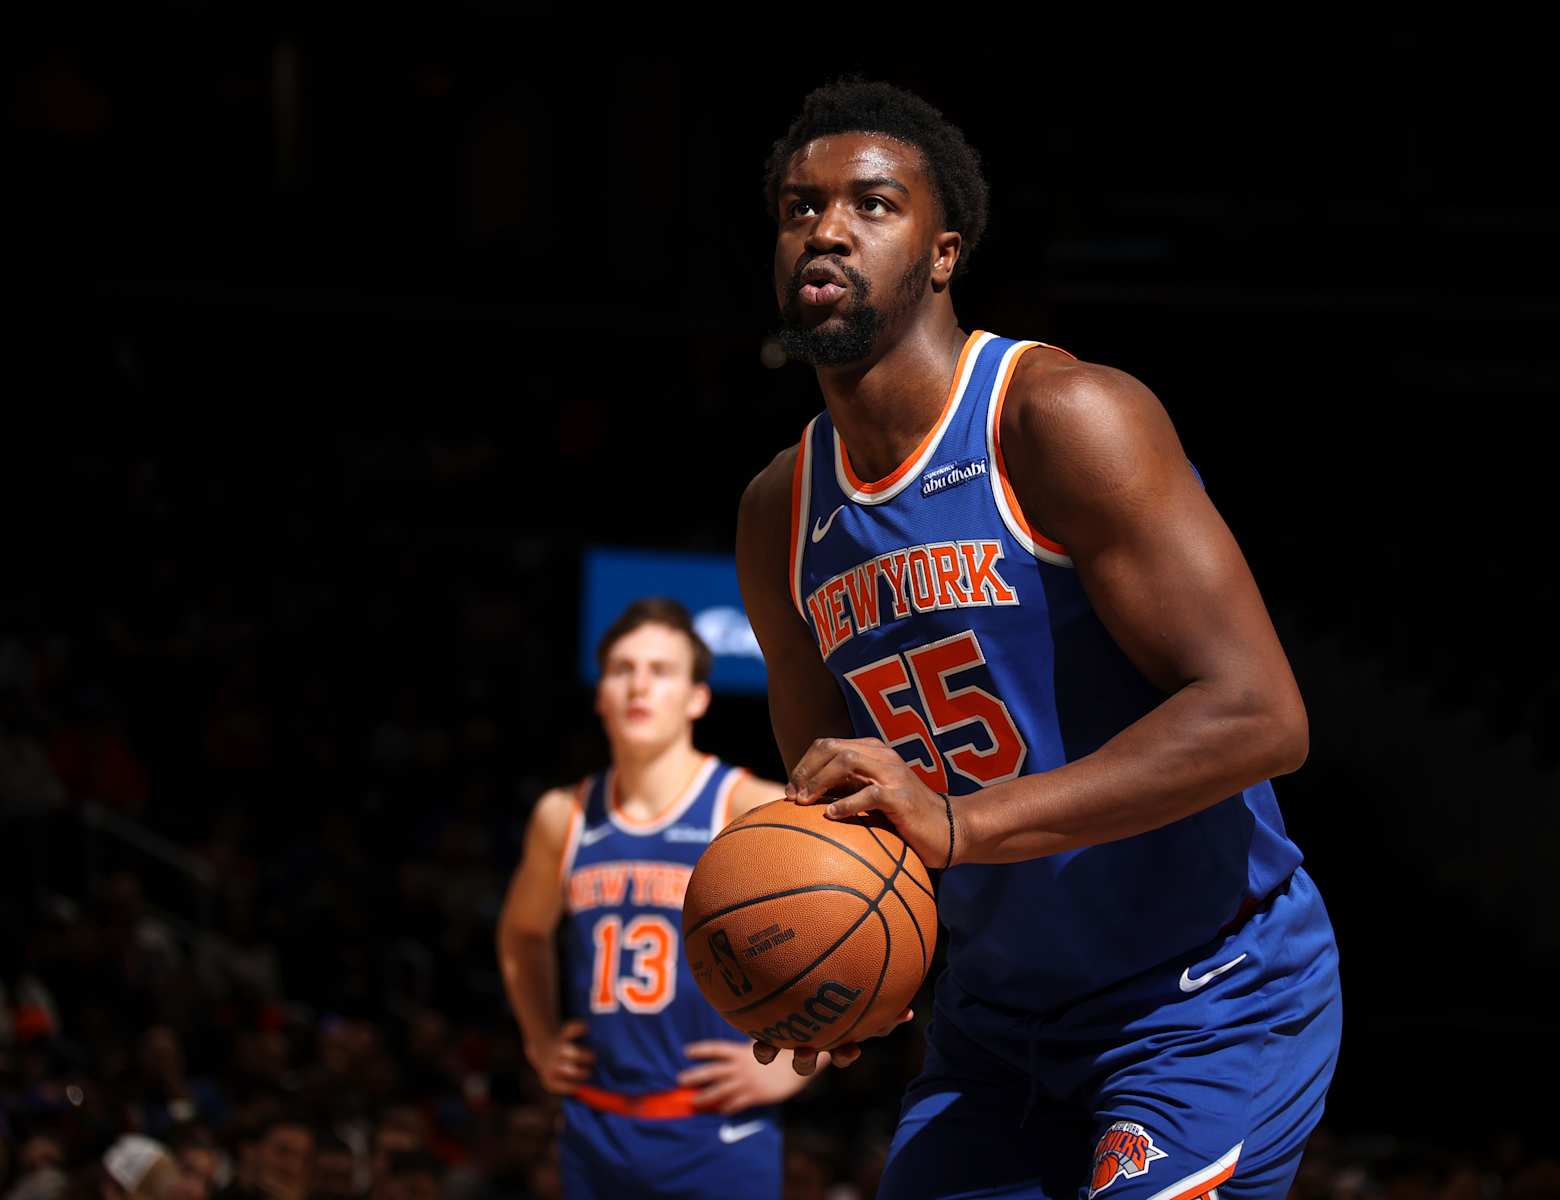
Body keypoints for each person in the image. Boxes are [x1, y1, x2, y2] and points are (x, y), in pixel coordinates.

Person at [735, 80, 1344, 1200]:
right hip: (995, 1025)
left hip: (1204, 994)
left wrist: (959, 826)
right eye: (797, 206)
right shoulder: (782, 508)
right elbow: (834, 799)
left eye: (871, 205)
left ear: (941, 251)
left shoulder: (1058, 418)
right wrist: (833, 950)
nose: (824, 227)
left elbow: (1262, 714)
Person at [496, 598, 809, 1198]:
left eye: (660, 671)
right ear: (600, 694)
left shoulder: (749, 807)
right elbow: (522, 933)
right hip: (596, 1126)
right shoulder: (564, 816)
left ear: (696, 698)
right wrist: (538, 1037)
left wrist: (803, 1062)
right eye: (622, 669)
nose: (639, 685)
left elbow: (843, 935)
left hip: (720, 1131)